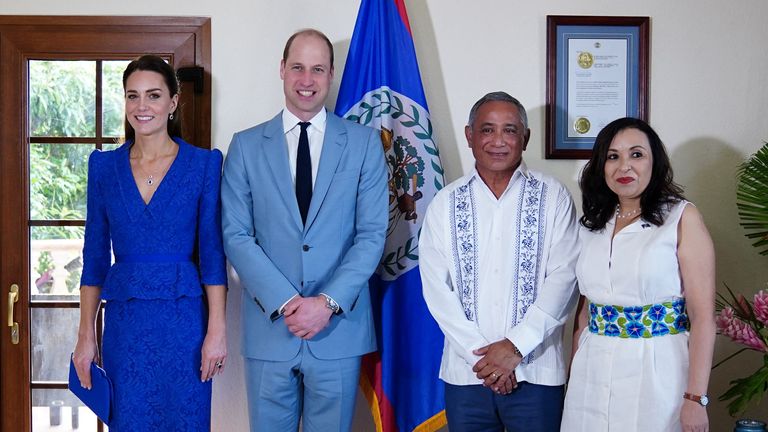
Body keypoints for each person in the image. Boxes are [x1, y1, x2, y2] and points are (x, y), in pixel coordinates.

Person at [220, 29, 388, 432]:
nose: (306, 80)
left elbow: (371, 234)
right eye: (297, 67)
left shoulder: (365, 144)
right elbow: (236, 234)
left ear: (331, 74)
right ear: (281, 70)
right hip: (269, 328)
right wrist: (287, 301)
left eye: (317, 69)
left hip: (338, 330)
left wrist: (325, 303)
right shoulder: (245, 146)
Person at [73, 55, 228, 431]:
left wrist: (217, 331)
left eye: (154, 95)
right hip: (126, 327)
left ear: (173, 103)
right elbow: (94, 259)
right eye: (133, 96)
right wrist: (85, 337)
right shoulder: (104, 168)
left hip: (186, 327)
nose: (142, 106)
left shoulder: (203, 165)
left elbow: (212, 256)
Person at [420, 91, 580, 431]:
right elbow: (436, 289)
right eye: (487, 129)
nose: (498, 141)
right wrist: (486, 358)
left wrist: (514, 348)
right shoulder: (444, 204)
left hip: (536, 374)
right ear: (469, 136)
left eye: (509, 130)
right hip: (467, 376)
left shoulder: (554, 197)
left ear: (525, 138)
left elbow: (564, 280)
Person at [561, 117, 715, 431]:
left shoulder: (681, 218)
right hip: (591, 372)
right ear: (601, 166)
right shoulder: (590, 226)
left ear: (654, 161)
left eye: (636, 154)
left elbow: (703, 317)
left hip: (659, 372)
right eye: (612, 156)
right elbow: (586, 312)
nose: (624, 167)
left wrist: (695, 397)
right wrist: (571, 379)